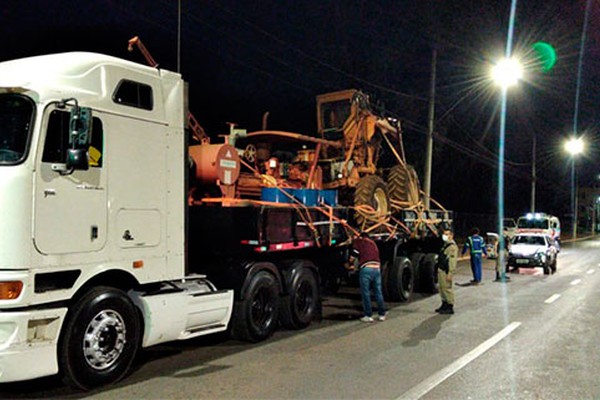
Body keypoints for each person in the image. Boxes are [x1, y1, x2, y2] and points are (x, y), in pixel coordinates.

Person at [347, 232, 387, 323]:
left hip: (366, 269)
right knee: (378, 292)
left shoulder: (360, 242)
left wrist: (349, 263)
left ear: (361, 236)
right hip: (377, 269)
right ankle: (382, 314)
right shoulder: (373, 244)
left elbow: (353, 256)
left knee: (365, 293)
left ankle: (368, 315)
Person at [436, 229, 458, 314]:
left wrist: (450, 273)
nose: (444, 236)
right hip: (441, 269)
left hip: (446, 271)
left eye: (447, 234)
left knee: (447, 288)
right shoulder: (446, 245)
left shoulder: (452, 247)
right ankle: (444, 304)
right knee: (442, 288)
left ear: (451, 235)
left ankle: (450, 306)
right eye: (444, 234)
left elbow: (452, 261)